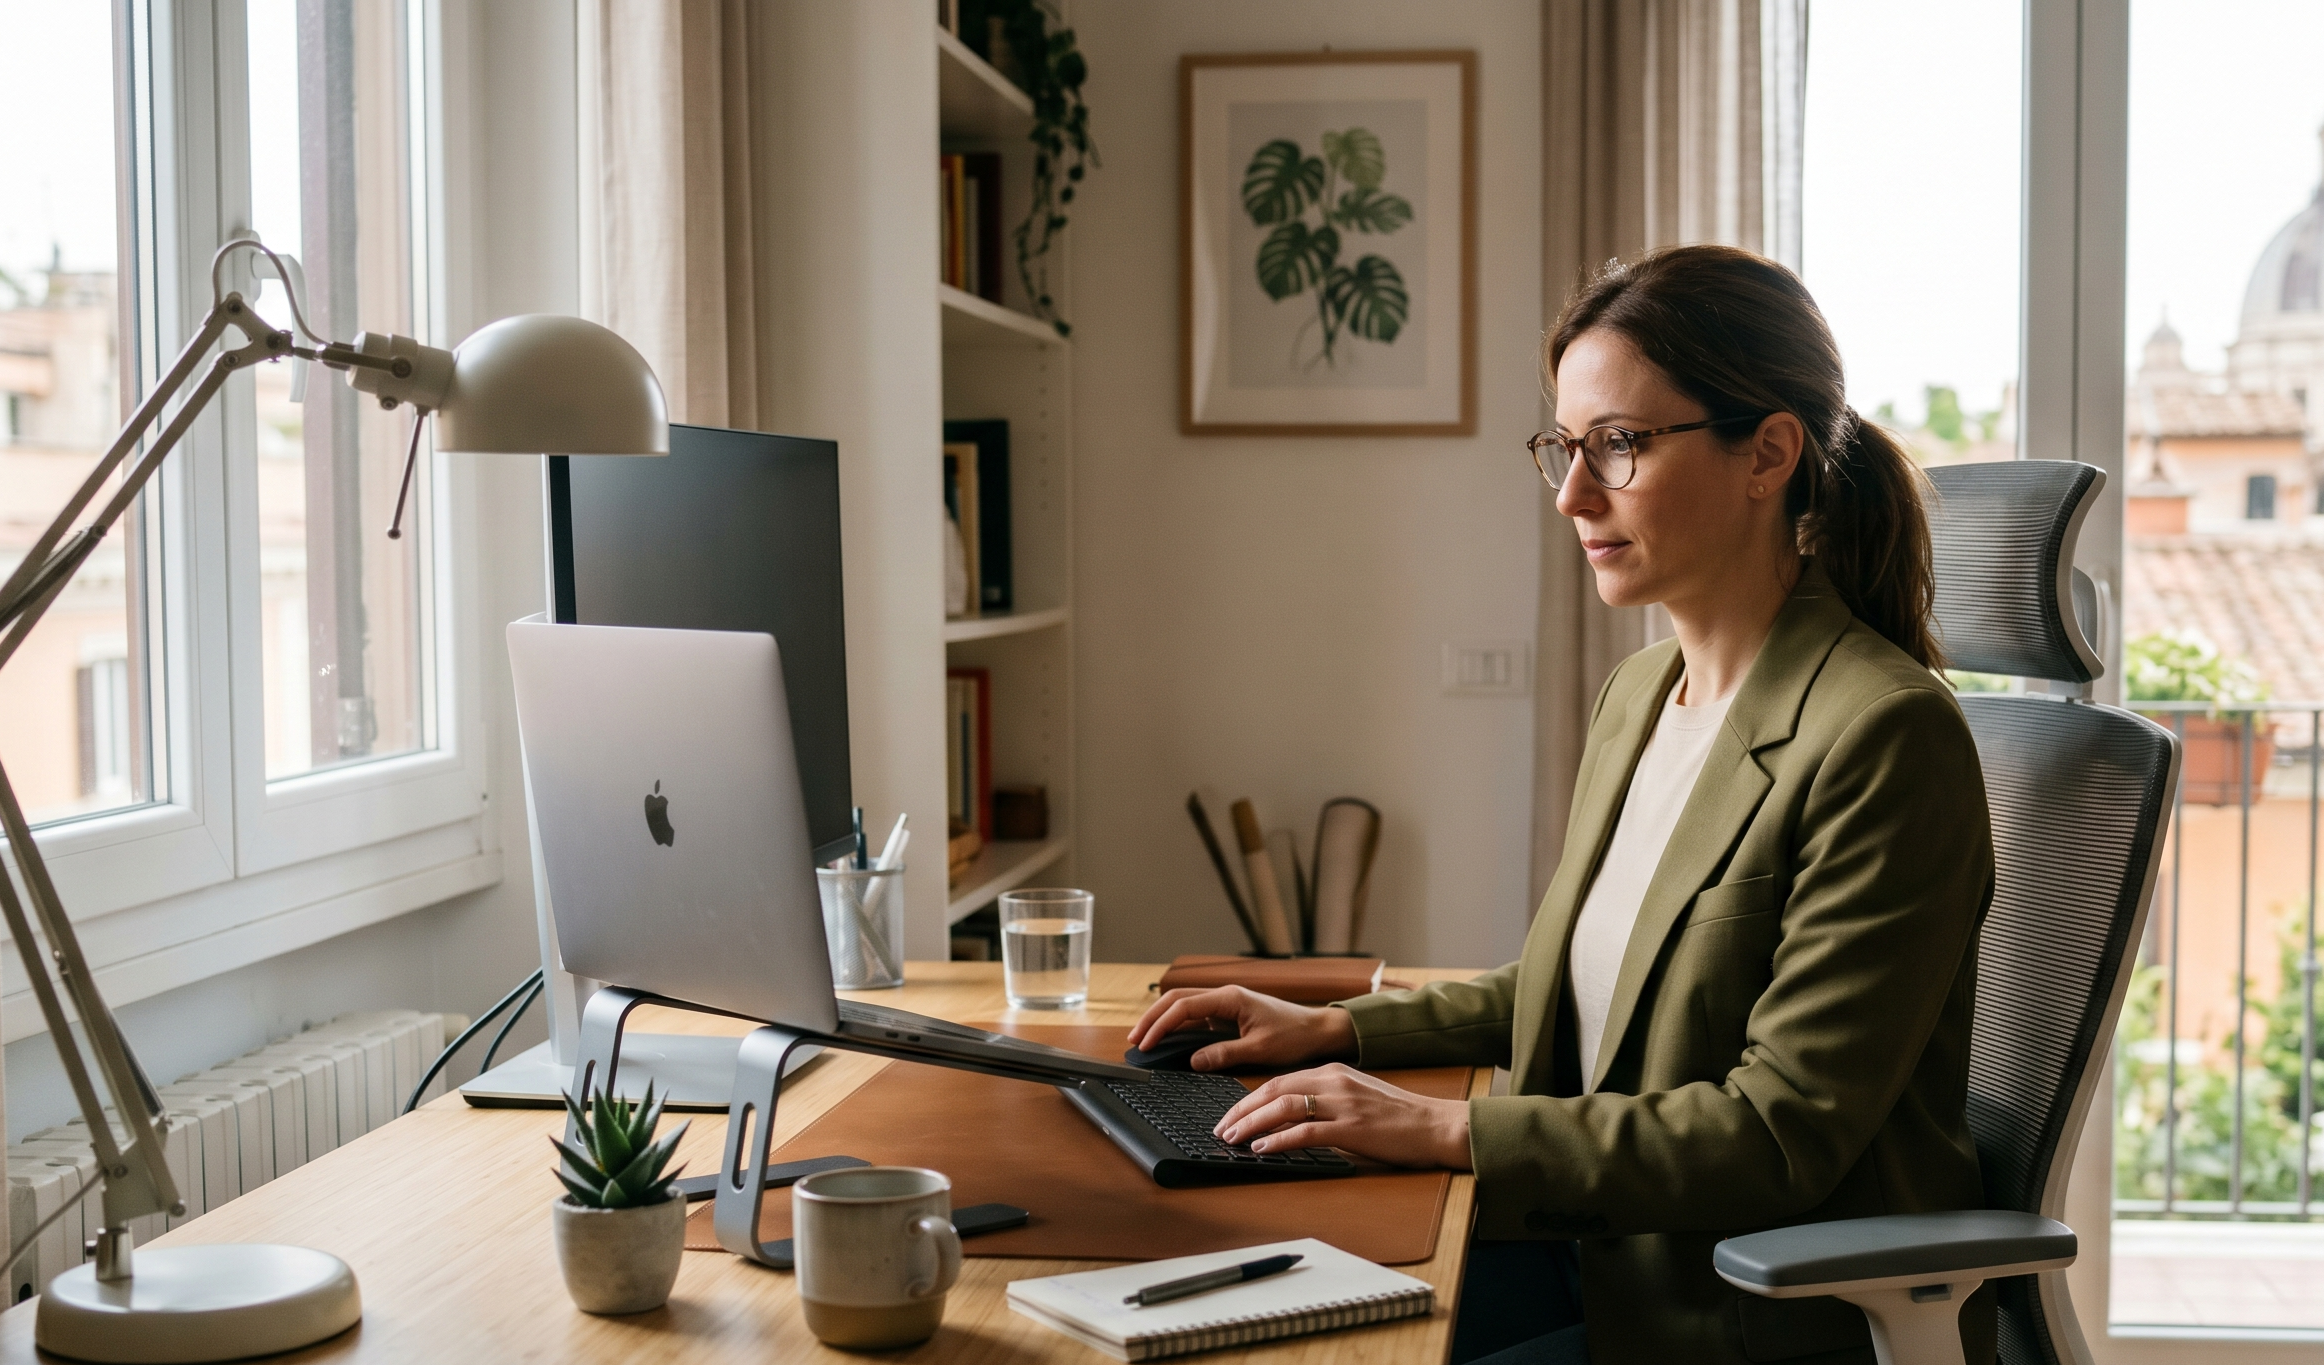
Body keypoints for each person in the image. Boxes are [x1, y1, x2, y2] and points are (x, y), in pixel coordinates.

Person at [1128, 244, 1996, 1365]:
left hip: (1727, 1313)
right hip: (1583, 1248)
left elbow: (1772, 1134)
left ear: (1766, 453)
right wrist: (1337, 1029)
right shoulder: (1640, 693)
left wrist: (1439, 1127)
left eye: (1619, 447)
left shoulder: (1883, 736)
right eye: (1564, 448)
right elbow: (1574, 989)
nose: (1570, 495)